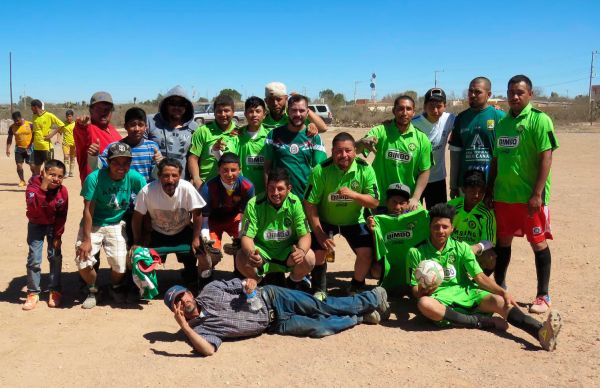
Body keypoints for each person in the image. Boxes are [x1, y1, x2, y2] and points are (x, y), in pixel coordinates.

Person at [408, 203, 562, 352]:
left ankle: (540, 332)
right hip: (439, 299)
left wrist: (502, 292)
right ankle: (480, 321)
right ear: (430, 227)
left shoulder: (461, 247)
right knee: (424, 304)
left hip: (467, 294)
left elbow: (480, 278)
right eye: (436, 226)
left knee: (500, 301)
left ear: (452, 229)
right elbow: (414, 289)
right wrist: (423, 290)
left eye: (445, 227)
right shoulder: (416, 252)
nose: (440, 231)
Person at [164, 279, 390, 356]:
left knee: (322, 307)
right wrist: (185, 326)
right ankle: (359, 317)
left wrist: (249, 284)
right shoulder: (198, 332)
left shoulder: (211, 289)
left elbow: (243, 283)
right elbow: (208, 351)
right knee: (320, 329)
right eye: (177, 303)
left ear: (190, 293)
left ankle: (372, 297)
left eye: (183, 296)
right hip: (274, 324)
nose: (183, 302)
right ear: (176, 311)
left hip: (272, 297)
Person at [487, 75, 559, 314]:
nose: (514, 97)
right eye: (511, 92)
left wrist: (537, 193)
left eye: (519, 92)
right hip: (504, 196)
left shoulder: (540, 120)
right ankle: (500, 286)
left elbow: (546, 157)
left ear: (530, 94)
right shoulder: (503, 122)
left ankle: (543, 295)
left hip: (529, 199)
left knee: (538, 244)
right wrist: (490, 189)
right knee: (503, 243)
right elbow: (496, 160)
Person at [303, 132, 379, 298]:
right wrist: (319, 233)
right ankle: (319, 288)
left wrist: (354, 195)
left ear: (354, 150)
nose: (343, 155)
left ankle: (356, 286)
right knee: (319, 252)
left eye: (348, 150)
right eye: (338, 151)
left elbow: (374, 202)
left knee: (366, 253)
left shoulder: (365, 169)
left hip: (354, 220)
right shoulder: (320, 170)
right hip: (326, 220)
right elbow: (309, 204)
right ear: (332, 152)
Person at [75, 143, 146, 309]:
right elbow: (88, 210)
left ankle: (115, 287)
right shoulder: (95, 178)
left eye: (125, 163)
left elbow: (147, 198)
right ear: (107, 162)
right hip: (94, 223)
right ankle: (93, 290)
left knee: (121, 265)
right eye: (116, 162)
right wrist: (86, 239)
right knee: (83, 261)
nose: (121, 167)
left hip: (115, 223)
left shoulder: (134, 177)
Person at [132, 158, 206, 291]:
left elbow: (197, 213)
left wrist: (195, 238)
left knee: (201, 250)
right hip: (157, 232)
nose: (170, 180)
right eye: (166, 175)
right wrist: (138, 241)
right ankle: (146, 284)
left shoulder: (187, 188)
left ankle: (190, 273)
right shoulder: (147, 191)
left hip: (183, 230)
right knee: (139, 253)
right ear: (159, 176)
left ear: (180, 176)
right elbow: (137, 218)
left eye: (174, 175)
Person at [235, 168, 315, 290]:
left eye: (280, 189)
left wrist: (301, 252)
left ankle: (294, 282)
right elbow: (246, 237)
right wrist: (252, 254)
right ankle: (259, 282)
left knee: (309, 257)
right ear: (266, 187)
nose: (275, 193)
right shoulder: (254, 204)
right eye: (271, 188)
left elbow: (305, 235)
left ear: (289, 189)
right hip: (263, 254)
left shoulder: (295, 203)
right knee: (241, 256)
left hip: (287, 254)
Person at [357, 95, 432, 210]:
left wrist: (416, 198)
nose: (404, 112)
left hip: (406, 202)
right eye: (400, 109)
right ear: (394, 111)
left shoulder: (422, 139)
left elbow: (425, 171)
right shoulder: (381, 131)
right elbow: (355, 150)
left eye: (408, 109)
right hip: (380, 201)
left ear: (413, 112)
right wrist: (362, 142)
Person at [198, 152, 254, 280]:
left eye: (233, 170)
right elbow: (204, 219)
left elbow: (246, 217)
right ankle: (205, 278)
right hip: (213, 220)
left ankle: (240, 270)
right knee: (211, 254)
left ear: (240, 170)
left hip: (235, 219)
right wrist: (206, 239)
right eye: (225, 170)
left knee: (245, 244)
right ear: (218, 170)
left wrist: (240, 237)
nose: (229, 174)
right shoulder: (207, 188)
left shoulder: (248, 186)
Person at [22, 159, 69, 310]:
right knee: (34, 259)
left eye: (59, 176)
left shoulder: (63, 191)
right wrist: (43, 188)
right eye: (51, 174)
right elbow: (33, 208)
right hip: (36, 225)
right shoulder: (33, 187)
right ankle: (33, 292)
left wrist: (58, 235)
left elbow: (62, 215)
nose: (55, 179)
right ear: (43, 173)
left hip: (53, 226)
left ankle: (54, 290)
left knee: (55, 257)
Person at [449, 77, 506, 199]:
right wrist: (453, 185)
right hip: (466, 185)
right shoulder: (461, 118)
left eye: (478, 92)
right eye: (470, 91)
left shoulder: (500, 116)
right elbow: (455, 154)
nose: (472, 95)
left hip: (492, 185)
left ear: (488, 94)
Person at [367, 183, 429, 293]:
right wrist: (373, 232)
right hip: (390, 265)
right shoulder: (379, 221)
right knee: (376, 270)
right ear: (386, 202)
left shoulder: (417, 219)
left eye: (402, 203)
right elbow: (378, 252)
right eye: (394, 202)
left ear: (408, 204)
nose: (397, 207)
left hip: (411, 265)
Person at [263, 94, 327, 199]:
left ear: (307, 112)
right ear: (288, 112)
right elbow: (266, 169)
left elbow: (320, 171)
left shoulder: (314, 137)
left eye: (301, 110)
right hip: (280, 198)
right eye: (294, 110)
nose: (297, 114)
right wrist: (269, 195)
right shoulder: (273, 135)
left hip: (306, 198)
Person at [412, 88, 455, 209]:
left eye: (439, 106)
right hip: (415, 179)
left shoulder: (450, 119)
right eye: (431, 106)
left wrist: (494, 109)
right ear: (424, 106)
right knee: (412, 218)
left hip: (438, 178)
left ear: (445, 106)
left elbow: (468, 120)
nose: (435, 110)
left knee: (438, 216)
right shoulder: (413, 123)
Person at [448, 170, 497, 274]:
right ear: (464, 189)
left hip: (474, 251)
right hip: (451, 249)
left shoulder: (487, 212)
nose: (476, 195)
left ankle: (475, 285)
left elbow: (489, 240)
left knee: (490, 258)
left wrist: (477, 247)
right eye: (472, 191)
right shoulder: (451, 207)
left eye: (480, 192)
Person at [96, 107, 163, 182]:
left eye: (140, 125)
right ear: (125, 126)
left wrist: (159, 165)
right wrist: (93, 156)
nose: (137, 129)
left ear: (146, 127)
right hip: (122, 192)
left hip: (146, 192)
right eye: (132, 125)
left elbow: (156, 176)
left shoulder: (152, 147)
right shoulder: (114, 147)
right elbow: (99, 168)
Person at [188, 94, 240, 189]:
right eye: (219, 111)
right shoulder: (202, 131)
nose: (223, 114)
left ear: (233, 112)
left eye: (226, 111)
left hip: (231, 187)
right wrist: (196, 179)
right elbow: (193, 158)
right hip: (206, 186)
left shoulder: (239, 132)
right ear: (214, 113)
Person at [146, 85, 197, 178]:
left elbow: (195, 157)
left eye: (181, 104)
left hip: (181, 182)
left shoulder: (194, 127)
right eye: (172, 103)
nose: (177, 107)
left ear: (187, 106)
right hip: (154, 181)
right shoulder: (150, 121)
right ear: (166, 104)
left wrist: (194, 178)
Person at [73, 91, 122, 184]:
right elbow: (82, 135)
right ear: (91, 110)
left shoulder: (112, 130)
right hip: (96, 191)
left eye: (107, 109)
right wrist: (81, 126)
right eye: (99, 109)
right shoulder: (88, 129)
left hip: (116, 188)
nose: (103, 113)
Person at [262, 81, 327, 133]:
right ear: (266, 101)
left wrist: (302, 105)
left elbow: (323, 128)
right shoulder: (261, 119)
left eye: (279, 99)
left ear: (286, 98)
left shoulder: (295, 116)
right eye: (271, 100)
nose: (275, 103)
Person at [237, 96, 269, 194]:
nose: (254, 115)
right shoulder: (237, 135)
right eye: (250, 111)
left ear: (264, 114)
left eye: (258, 111)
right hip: (243, 190)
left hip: (266, 191)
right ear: (245, 114)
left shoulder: (271, 135)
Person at [30, 99, 64, 175]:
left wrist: (52, 134)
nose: (31, 109)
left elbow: (61, 125)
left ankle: (48, 185)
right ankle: (38, 185)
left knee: (49, 169)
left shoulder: (49, 115)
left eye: (31, 107)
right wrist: (30, 143)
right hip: (36, 147)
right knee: (36, 168)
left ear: (36, 107)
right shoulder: (34, 116)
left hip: (46, 147)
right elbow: (35, 131)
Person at [6, 111, 33, 186]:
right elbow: (9, 138)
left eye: (18, 120)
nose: (17, 122)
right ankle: (22, 180)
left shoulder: (30, 124)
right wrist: (7, 149)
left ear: (21, 118)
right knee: (19, 165)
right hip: (18, 149)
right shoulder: (12, 127)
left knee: (32, 165)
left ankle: (34, 179)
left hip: (30, 148)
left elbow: (35, 135)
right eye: (15, 121)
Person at [46, 110, 77, 178]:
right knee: (66, 156)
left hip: (74, 144)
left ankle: (71, 171)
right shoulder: (63, 124)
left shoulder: (75, 124)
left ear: (72, 116)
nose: (68, 118)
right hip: (65, 143)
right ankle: (66, 172)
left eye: (70, 116)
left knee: (72, 157)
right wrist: (58, 140)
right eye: (67, 116)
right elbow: (59, 133)